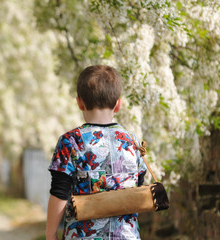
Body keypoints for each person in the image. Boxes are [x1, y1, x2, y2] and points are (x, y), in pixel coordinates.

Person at [46, 65, 148, 240]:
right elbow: (138, 187)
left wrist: (50, 234)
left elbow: (59, 193)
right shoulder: (133, 142)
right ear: (118, 105)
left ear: (79, 102)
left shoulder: (71, 141)